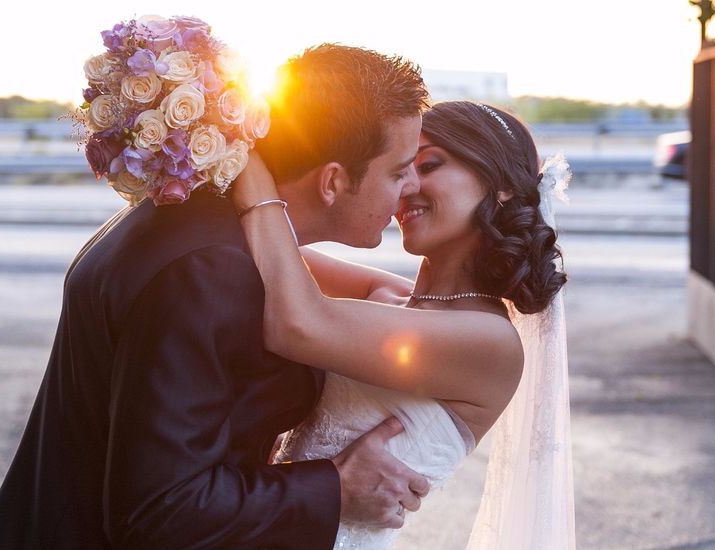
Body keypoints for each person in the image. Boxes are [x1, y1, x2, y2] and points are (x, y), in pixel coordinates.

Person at [0, 44, 431, 549]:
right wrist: (335, 488)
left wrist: (367, 287)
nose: (411, 185)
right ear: (333, 181)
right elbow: (161, 511)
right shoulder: (208, 269)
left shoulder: (198, 214)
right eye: (398, 170)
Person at [232, 100, 575, 549]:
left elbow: (295, 322)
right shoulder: (394, 298)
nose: (406, 186)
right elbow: (267, 252)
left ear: (502, 185)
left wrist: (245, 160)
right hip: (260, 525)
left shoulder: (489, 342)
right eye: (400, 170)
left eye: (429, 165)